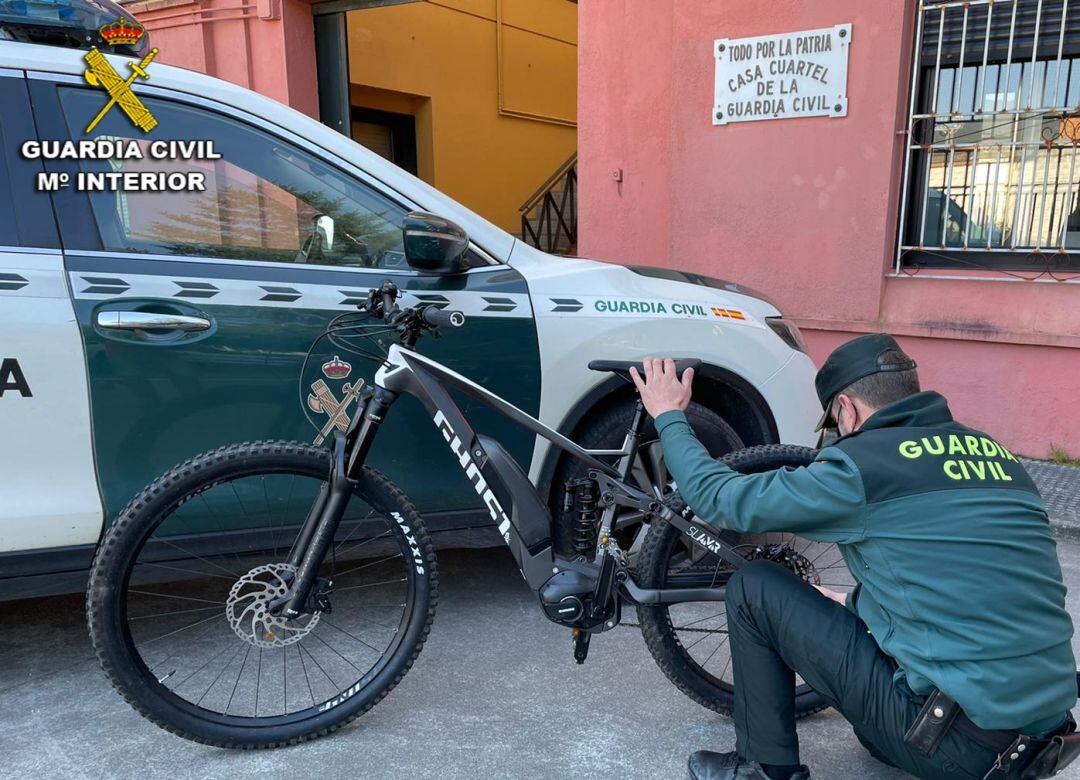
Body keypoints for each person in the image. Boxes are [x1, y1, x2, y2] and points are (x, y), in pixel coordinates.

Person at [628, 334, 1077, 780]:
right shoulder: (1000, 459)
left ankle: (762, 769)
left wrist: (669, 414)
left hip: (965, 751)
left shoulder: (864, 466)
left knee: (755, 586)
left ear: (847, 408)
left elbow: (719, 498)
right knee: (873, 728)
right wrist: (852, 605)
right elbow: (963, 576)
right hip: (1045, 741)